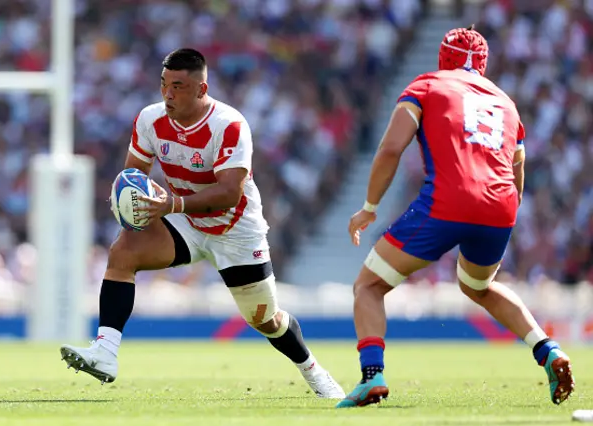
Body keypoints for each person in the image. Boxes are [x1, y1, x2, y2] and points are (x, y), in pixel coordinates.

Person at [60, 48, 345, 399]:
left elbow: (228, 193)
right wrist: (128, 199)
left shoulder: (229, 125)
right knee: (124, 250)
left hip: (235, 230)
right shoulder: (149, 120)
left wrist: (171, 203)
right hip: (185, 221)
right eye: (164, 84)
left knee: (265, 319)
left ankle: (313, 370)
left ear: (201, 89)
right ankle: (105, 351)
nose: (168, 94)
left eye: (178, 86)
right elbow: (133, 175)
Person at [335, 26, 575, 408]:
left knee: (369, 286)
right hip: (501, 205)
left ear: (442, 58)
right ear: (483, 63)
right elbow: (518, 169)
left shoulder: (427, 85)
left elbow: (391, 148)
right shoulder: (507, 102)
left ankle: (371, 375)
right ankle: (548, 350)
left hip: (448, 200)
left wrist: (369, 207)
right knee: (479, 286)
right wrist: (503, 214)